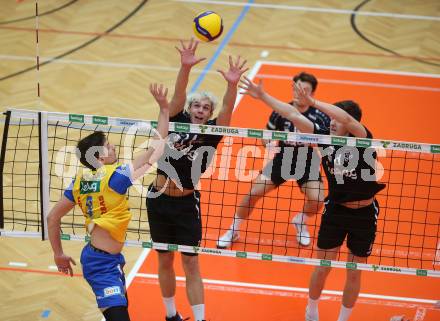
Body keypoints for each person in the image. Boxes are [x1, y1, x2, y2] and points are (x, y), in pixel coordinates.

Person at [239, 76, 386, 321]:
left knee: (354, 271)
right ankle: (312, 311)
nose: (331, 124)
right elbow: (293, 114)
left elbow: (348, 118)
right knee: (323, 266)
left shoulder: (362, 140)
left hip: (364, 215)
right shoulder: (324, 139)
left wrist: (314, 101)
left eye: (336, 121)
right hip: (336, 211)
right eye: (331, 120)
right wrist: (263, 96)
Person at [47, 83, 170, 321]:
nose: (113, 147)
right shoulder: (117, 176)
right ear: (98, 156)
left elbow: (53, 218)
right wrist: (163, 109)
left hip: (106, 260)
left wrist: (58, 253)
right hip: (101, 264)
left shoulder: (79, 180)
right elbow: (156, 148)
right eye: (108, 145)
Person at [146, 38, 248, 321]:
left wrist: (231, 84)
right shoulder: (177, 118)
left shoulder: (213, 132)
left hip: (186, 204)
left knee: (190, 262)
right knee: (164, 259)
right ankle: (170, 315)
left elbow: (228, 109)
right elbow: (177, 95)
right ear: (190, 108)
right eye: (197, 106)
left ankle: (201, 319)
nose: (201, 110)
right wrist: (185, 66)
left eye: (206, 108)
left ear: (210, 114)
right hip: (157, 200)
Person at [217, 72, 330, 248]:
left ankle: (300, 221)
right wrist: (268, 144)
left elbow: (328, 142)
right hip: (283, 157)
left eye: (305, 90)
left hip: (306, 160)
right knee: (253, 193)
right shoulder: (280, 111)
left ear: (312, 94)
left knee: (317, 200)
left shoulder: (321, 116)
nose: (299, 92)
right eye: (296, 88)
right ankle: (233, 229)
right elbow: (265, 136)